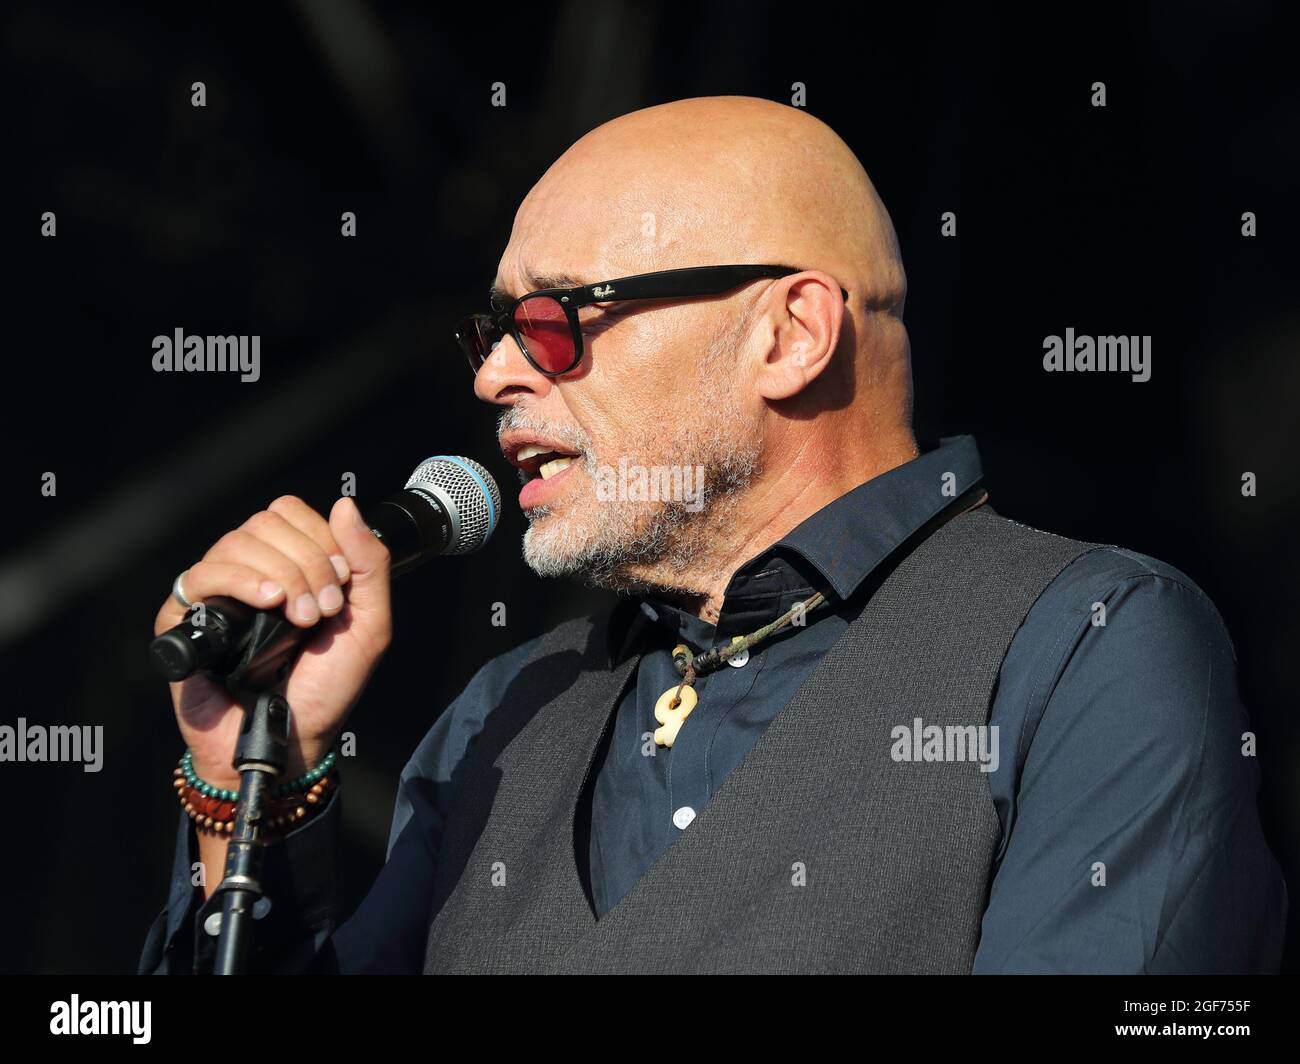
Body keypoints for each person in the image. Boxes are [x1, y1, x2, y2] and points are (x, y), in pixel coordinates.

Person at [140, 96, 1286, 974]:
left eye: (552, 319)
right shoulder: (506, 711)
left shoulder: (1084, 643)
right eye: (491, 332)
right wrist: (248, 780)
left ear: (788, 335)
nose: (495, 374)